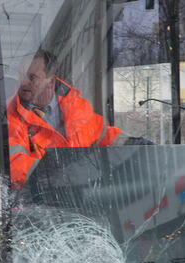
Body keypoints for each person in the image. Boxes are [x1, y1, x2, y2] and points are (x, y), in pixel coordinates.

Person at [7, 50, 125, 189]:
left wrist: (133, 144)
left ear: (51, 82)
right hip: (43, 196)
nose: (23, 82)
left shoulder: (76, 106)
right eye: (21, 76)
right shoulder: (10, 117)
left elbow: (106, 136)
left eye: (31, 77)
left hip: (85, 193)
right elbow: (16, 167)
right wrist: (63, 176)